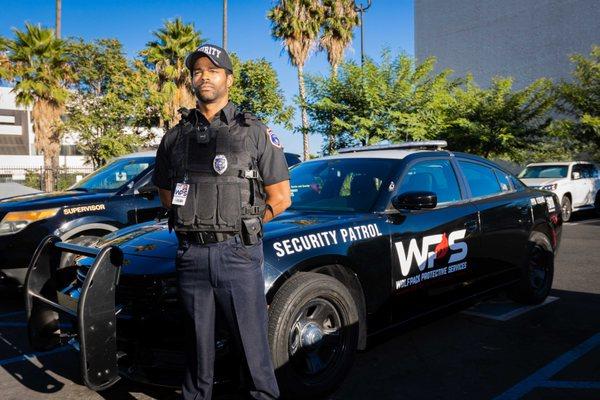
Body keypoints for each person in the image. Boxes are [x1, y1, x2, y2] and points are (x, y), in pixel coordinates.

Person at [152, 43, 292, 400]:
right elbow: (167, 193)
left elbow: (281, 197)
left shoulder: (256, 132)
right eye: (198, 71)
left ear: (228, 78)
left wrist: (245, 222)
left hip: (238, 255)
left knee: (253, 350)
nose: (204, 77)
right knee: (197, 354)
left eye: (213, 70)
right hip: (191, 257)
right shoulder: (174, 137)